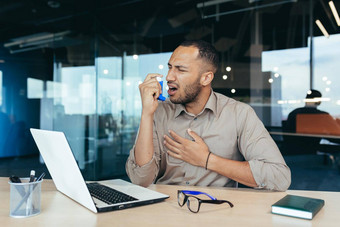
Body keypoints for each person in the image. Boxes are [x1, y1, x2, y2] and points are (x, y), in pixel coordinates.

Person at [126, 40, 291, 191]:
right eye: (170, 67)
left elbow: (279, 177)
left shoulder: (239, 113)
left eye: (180, 69)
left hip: (218, 211)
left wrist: (207, 160)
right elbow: (140, 180)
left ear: (206, 78)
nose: (169, 77)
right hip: (166, 211)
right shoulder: (158, 111)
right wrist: (146, 114)